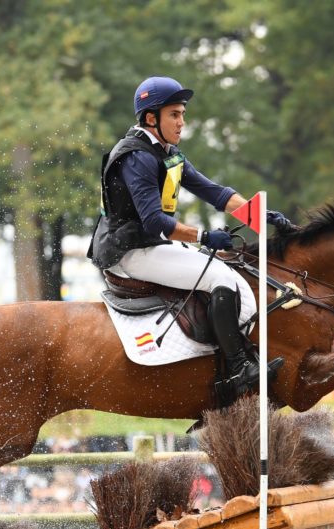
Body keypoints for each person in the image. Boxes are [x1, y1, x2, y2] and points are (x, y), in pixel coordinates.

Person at [87, 76, 289, 399]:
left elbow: (215, 193)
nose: (182, 123)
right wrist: (205, 236)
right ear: (151, 118)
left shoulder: (168, 153)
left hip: (151, 243)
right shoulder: (137, 157)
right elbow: (154, 221)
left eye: (182, 114)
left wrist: (259, 214)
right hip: (129, 252)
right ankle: (237, 369)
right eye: (175, 115)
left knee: (229, 270)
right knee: (221, 277)